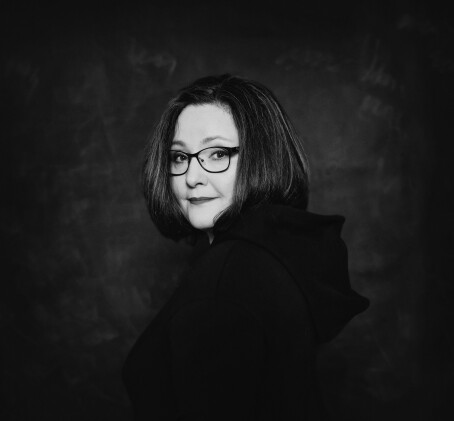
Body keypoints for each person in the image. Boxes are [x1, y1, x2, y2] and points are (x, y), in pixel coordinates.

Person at [122, 74, 369, 420]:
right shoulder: (267, 256)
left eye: (217, 153)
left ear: (262, 158)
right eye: (179, 157)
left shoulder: (224, 283)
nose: (192, 177)